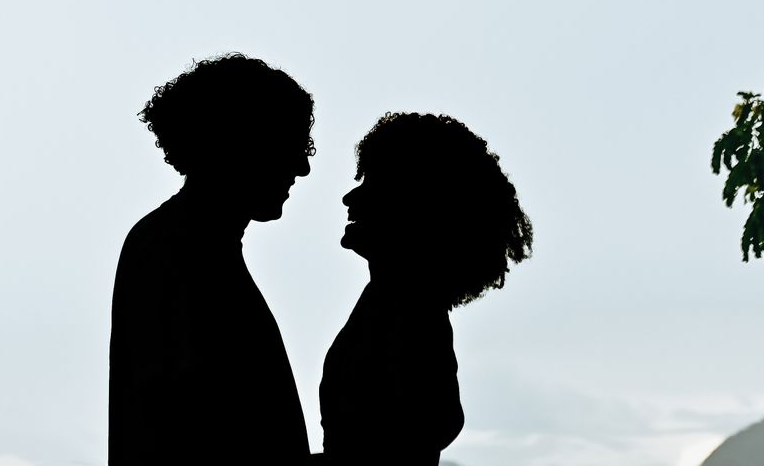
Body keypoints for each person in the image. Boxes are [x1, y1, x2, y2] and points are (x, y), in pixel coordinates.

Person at [109, 54, 316, 466]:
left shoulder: (186, 244)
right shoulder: (175, 249)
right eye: (287, 144)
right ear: (236, 144)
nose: (303, 167)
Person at [319, 112, 534, 465]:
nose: (349, 198)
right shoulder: (398, 302)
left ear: (413, 205)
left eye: (372, 183)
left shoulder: (408, 308)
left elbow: (417, 431)